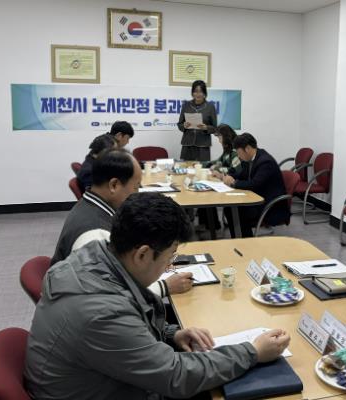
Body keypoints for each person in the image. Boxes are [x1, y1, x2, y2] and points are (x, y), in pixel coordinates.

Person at [25, 192, 291, 400]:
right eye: (170, 256)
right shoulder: (101, 311)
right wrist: (252, 352)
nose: (169, 266)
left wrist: (170, 334)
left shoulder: (94, 256)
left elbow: (127, 327)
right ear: (142, 254)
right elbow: (176, 377)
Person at [52, 148, 192, 298]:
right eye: (136, 186)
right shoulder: (95, 236)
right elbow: (110, 298)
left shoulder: (88, 206)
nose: (137, 193)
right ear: (114, 185)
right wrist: (164, 286)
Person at [222, 133, 287, 238]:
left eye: (239, 153)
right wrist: (227, 177)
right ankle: (240, 238)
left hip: (269, 204)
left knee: (236, 210)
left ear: (247, 149)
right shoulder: (250, 158)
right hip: (257, 196)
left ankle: (246, 240)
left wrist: (233, 183)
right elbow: (242, 175)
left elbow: (254, 184)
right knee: (230, 208)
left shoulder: (265, 162)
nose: (238, 156)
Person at [177, 80, 216, 161]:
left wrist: (206, 128)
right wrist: (184, 125)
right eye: (195, 91)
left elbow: (215, 128)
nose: (198, 94)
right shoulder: (186, 105)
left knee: (202, 168)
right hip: (187, 144)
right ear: (192, 93)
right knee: (185, 167)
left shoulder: (210, 107)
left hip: (203, 146)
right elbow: (180, 124)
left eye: (200, 91)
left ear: (204, 93)